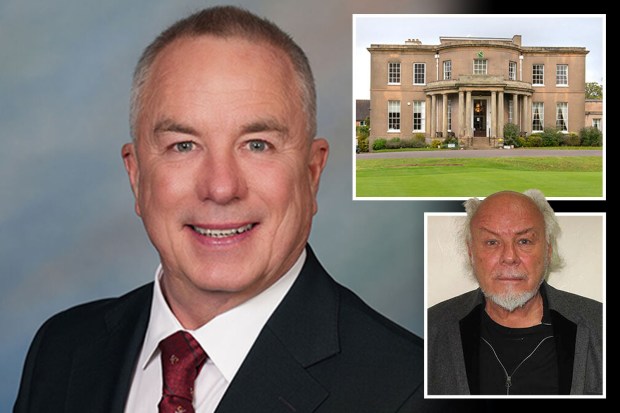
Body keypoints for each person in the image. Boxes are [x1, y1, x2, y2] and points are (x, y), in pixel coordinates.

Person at [14, 6, 426, 412]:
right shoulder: (62, 349)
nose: (221, 187)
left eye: (257, 144)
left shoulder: (412, 390)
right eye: (183, 145)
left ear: (313, 172)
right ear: (136, 176)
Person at [427, 189, 603, 396]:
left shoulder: (599, 324)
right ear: (470, 252)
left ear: (547, 250)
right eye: (492, 242)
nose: (509, 257)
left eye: (524, 241)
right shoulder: (431, 327)